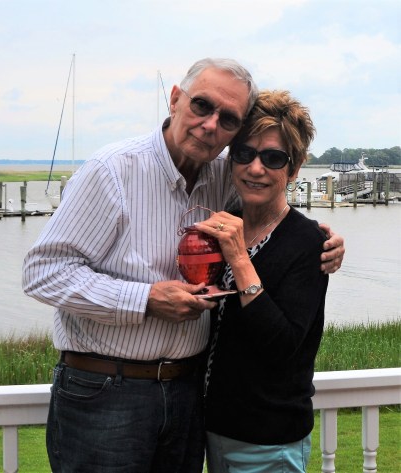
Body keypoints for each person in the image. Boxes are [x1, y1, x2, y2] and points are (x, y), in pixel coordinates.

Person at [22, 59, 344, 473]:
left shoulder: (223, 177)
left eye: (228, 119)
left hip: (187, 398)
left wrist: (320, 239)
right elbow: (44, 271)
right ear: (175, 99)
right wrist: (145, 299)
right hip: (108, 390)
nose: (210, 125)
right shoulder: (113, 170)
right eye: (202, 105)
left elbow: (271, 211)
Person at [195, 90, 330, 473]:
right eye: (245, 154)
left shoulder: (308, 243)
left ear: (295, 168)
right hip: (211, 430)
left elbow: (282, 346)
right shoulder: (225, 222)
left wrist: (239, 259)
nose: (255, 168)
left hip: (269, 441)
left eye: (273, 158)